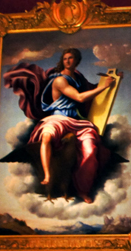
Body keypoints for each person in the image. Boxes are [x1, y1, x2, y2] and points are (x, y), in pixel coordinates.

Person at [27, 48, 116, 203]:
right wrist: (104, 86)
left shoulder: (78, 79)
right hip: (58, 118)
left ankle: (83, 189)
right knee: (46, 137)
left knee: (90, 149)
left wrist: (115, 79)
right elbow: (80, 98)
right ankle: (47, 175)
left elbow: (91, 90)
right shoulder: (59, 80)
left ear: (77, 61)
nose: (67, 61)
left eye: (71, 58)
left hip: (77, 121)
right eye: (65, 58)